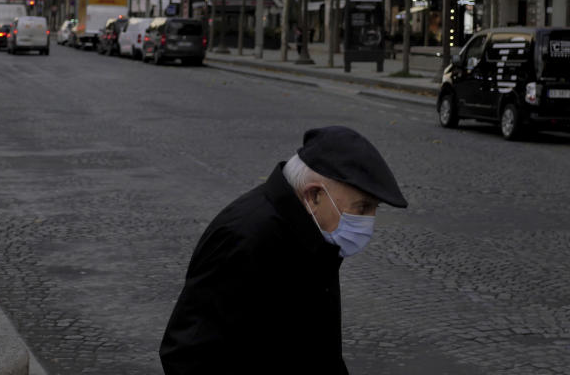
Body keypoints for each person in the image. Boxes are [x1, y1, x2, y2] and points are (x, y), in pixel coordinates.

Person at [159, 126, 407, 375]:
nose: (369, 221)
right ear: (314, 196)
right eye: (362, 207)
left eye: (375, 208)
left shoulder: (315, 236)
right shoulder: (246, 237)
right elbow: (188, 355)